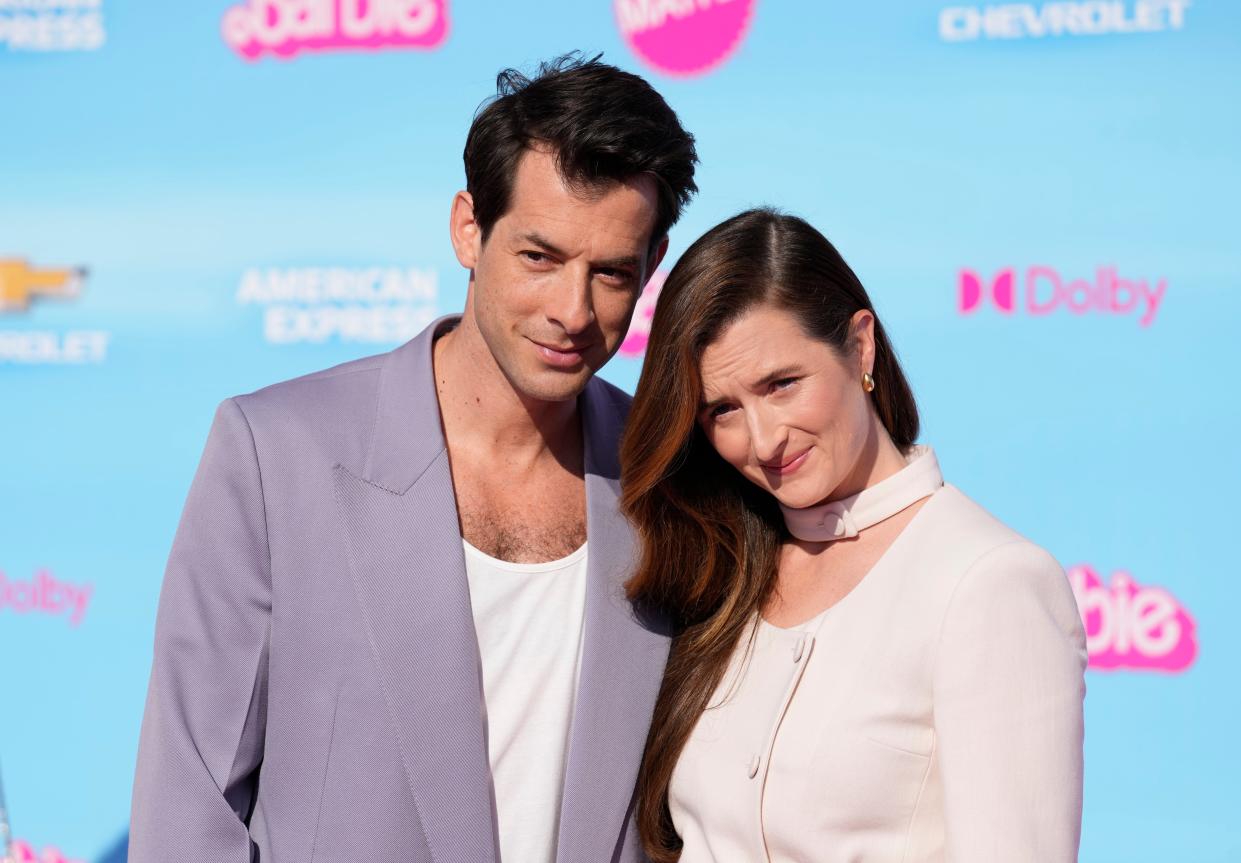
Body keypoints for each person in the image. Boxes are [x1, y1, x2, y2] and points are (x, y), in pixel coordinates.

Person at [129, 54, 697, 863]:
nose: (571, 311)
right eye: (538, 257)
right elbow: (189, 806)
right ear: (469, 227)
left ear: (652, 265)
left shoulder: (669, 478)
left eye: (610, 273)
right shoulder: (277, 454)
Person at [620, 208, 1086, 863]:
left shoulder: (987, 580)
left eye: (781, 384)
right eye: (722, 409)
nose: (762, 439)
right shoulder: (720, 571)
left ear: (859, 346)